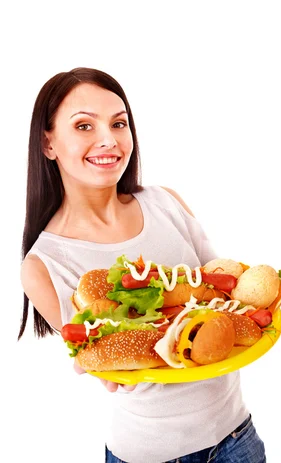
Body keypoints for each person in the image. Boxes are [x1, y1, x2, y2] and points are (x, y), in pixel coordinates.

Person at [18, 67, 266, 463]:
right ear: (48, 143)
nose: (108, 140)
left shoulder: (165, 203)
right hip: (148, 455)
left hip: (237, 437)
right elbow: (110, 374)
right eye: (84, 126)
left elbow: (224, 293)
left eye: (119, 123)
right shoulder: (44, 265)